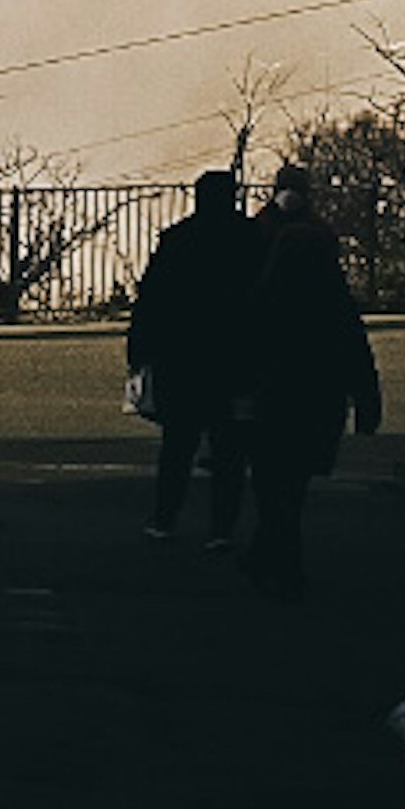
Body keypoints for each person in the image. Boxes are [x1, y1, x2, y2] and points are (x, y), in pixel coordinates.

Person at [238, 166, 381, 601]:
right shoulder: (332, 301)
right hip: (319, 405)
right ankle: (277, 562)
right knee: (293, 486)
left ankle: (275, 560)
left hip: (270, 403)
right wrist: (367, 402)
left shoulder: (264, 301)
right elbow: (356, 354)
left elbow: (241, 352)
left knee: (270, 484)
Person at [127, 166, 261, 541]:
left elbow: (152, 301)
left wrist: (139, 351)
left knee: (178, 445)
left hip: (181, 359)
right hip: (234, 359)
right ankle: (222, 526)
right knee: (229, 449)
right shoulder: (251, 239)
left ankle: (164, 519)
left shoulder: (178, 240)